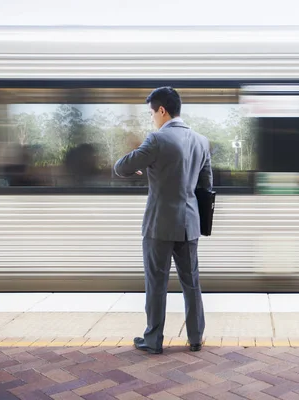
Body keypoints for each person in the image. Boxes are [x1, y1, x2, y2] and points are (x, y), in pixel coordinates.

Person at [114, 87, 212, 354]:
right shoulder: (201, 141)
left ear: (162, 110)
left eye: (151, 113)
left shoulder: (156, 140)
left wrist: (139, 166)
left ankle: (154, 340)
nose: (152, 119)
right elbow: (206, 186)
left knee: (156, 282)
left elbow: (121, 166)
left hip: (159, 225)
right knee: (191, 282)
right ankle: (195, 337)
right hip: (189, 223)